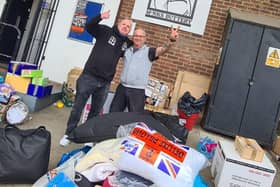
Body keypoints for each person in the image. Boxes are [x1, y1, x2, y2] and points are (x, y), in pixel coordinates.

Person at [59, 10, 132, 146]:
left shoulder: (127, 43)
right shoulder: (105, 31)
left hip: (105, 83)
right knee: (78, 108)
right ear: (118, 24)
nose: (125, 27)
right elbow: (89, 26)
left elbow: (139, 48)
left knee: (95, 111)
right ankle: (69, 134)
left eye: (128, 27)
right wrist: (100, 17)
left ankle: (87, 137)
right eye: (124, 24)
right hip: (89, 77)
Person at [109, 26, 179, 112]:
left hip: (137, 91)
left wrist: (171, 40)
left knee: (134, 118)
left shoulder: (149, 51)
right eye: (135, 36)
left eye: (140, 36)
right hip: (122, 88)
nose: (137, 38)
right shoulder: (127, 49)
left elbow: (163, 49)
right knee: (113, 115)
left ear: (145, 38)